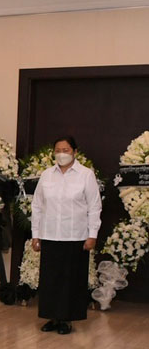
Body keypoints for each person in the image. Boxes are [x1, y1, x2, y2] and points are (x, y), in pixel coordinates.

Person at [31, 135, 101, 335]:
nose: (62, 154)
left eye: (66, 150)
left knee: (71, 279)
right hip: (50, 235)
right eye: (58, 150)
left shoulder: (85, 175)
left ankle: (66, 319)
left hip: (76, 236)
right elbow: (37, 205)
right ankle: (52, 317)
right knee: (50, 278)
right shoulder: (46, 175)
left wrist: (92, 235)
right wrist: (36, 235)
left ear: (75, 152)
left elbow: (94, 206)